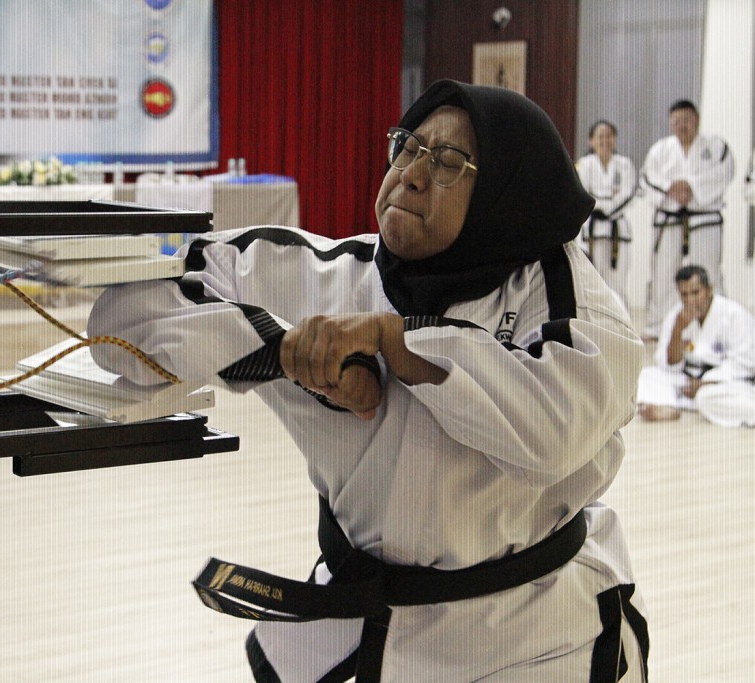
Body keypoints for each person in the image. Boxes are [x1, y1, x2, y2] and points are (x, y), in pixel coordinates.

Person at [88, 79, 648, 681]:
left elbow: (552, 431)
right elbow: (122, 314)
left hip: (532, 633)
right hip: (367, 614)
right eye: (407, 147)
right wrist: (290, 352)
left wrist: (395, 344)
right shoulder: (336, 274)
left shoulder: (563, 295)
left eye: (448, 161)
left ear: (505, 194)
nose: (411, 175)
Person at [639, 99, 735, 339]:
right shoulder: (661, 150)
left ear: (697, 120)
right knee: (663, 273)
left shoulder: (716, 147)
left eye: (687, 120)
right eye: (677, 121)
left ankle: (717, 326)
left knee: (709, 272)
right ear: (670, 123)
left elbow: (725, 170)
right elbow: (647, 177)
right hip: (670, 219)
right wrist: (670, 188)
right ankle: (659, 325)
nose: (682, 125)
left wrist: (692, 186)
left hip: (704, 219)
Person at [637, 264, 755, 427]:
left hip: (724, 383)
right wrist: (678, 330)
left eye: (695, 292)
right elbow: (669, 365)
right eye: (684, 294)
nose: (690, 300)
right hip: (688, 380)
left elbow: (744, 364)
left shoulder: (734, 315)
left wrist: (704, 384)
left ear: (709, 289)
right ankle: (669, 408)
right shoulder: (676, 316)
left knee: (706, 397)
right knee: (647, 374)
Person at [575, 119, 637, 307]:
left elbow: (628, 193)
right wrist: (608, 198)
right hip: (592, 231)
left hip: (618, 231)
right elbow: (583, 194)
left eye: (609, 136)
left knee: (618, 283)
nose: (605, 140)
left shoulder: (625, 165)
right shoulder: (583, 165)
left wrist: (602, 202)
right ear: (591, 141)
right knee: (592, 282)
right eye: (600, 136)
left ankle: (621, 322)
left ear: (615, 139)